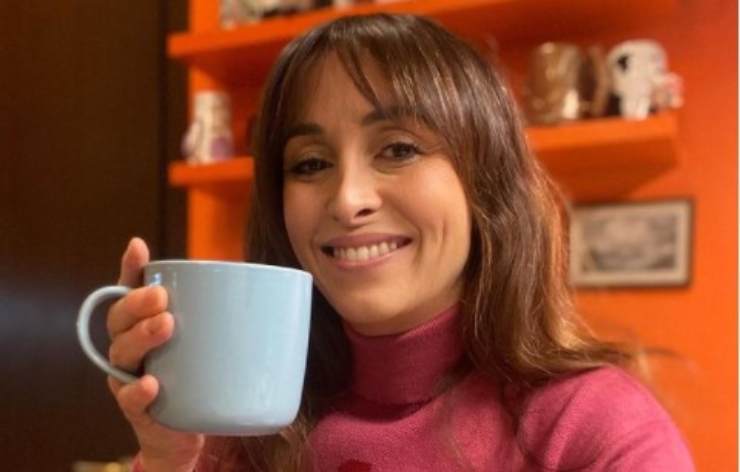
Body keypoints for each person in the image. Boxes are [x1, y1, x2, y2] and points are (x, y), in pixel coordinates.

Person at [107, 13, 694, 472]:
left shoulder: (596, 429)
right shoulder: (235, 436)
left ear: (484, 182)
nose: (347, 200)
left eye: (398, 149)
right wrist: (166, 458)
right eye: (310, 163)